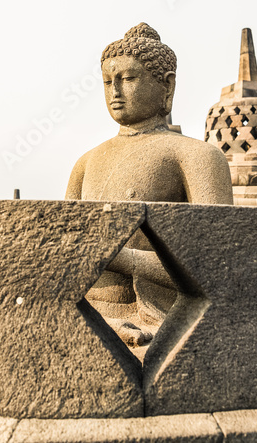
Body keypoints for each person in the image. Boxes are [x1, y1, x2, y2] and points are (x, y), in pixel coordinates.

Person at [66, 23, 232, 350]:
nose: (115, 91)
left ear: (167, 87)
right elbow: (68, 260)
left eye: (128, 79)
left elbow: (216, 266)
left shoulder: (195, 156)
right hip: (94, 313)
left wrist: (118, 258)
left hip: (165, 319)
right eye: (107, 81)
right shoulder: (85, 164)